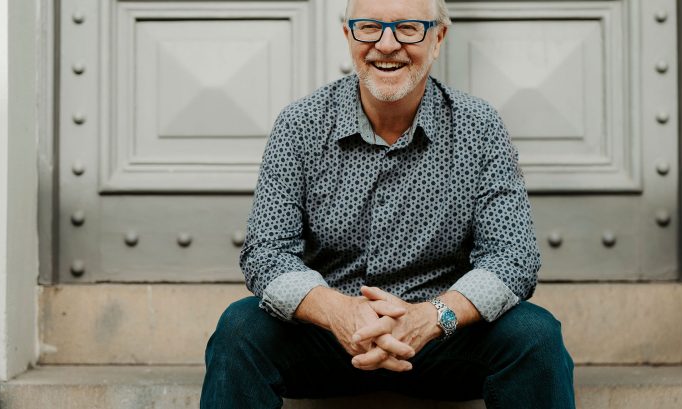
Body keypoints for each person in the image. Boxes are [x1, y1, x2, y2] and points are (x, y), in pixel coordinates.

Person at [201, 0, 575, 407]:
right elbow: (266, 252)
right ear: (348, 35)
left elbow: (513, 256)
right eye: (369, 27)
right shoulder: (300, 124)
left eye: (408, 28)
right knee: (238, 328)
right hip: (327, 337)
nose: (387, 43)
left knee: (536, 336)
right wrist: (339, 313)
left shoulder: (478, 127)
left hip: (442, 339)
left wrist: (430, 317)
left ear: (438, 38)